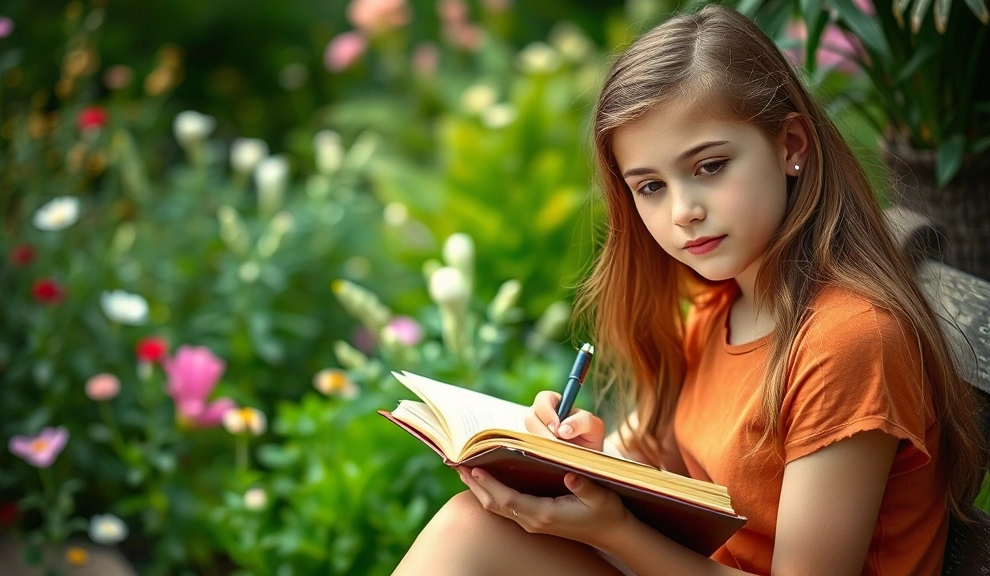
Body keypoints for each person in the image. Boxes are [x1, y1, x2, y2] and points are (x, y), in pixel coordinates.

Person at [392, 4, 986, 575]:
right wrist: (578, 456)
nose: (684, 212)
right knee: (472, 524)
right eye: (650, 187)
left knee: (467, 535)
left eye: (709, 167)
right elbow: (658, 460)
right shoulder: (722, 302)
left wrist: (611, 530)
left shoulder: (846, 340)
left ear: (792, 147)